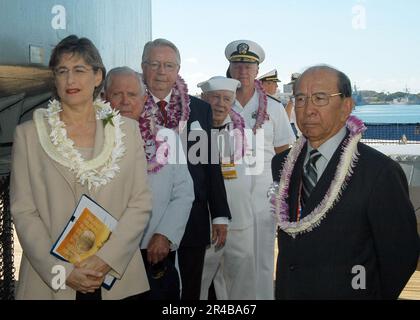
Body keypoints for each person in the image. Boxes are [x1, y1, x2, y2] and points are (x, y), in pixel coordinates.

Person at [10, 35, 152, 300]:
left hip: (115, 280)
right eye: (62, 71)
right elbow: (24, 211)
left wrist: (105, 259)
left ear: (98, 76)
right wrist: (61, 272)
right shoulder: (29, 135)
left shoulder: (126, 131)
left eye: (79, 70)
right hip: (50, 283)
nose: (70, 80)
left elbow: (140, 203)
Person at [270, 65, 419, 299]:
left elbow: (400, 254)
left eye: (320, 98)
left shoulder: (379, 172)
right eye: (300, 99)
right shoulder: (281, 164)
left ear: (346, 107)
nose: (308, 109)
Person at [141, 38, 231, 300]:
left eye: (168, 65)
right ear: (143, 66)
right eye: (155, 64)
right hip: (144, 215)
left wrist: (220, 215)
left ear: (178, 70)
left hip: (192, 216)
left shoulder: (199, 109)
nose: (161, 71)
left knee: (190, 291)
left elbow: (209, 163)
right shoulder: (130, 106)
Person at [104, 66, 194, 299]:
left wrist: (165, 234)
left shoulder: (167, 138)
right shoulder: (94, 141)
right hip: (106, 254)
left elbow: (183, 193)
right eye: (117, 94)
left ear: (144, 99)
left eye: (132, 95)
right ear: (104, 98)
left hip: (153, 251)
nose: (125, 101)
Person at [225, 39, 296, 299]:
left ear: (257, 70)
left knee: (262, 261)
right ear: (230, 68)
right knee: (229, 262)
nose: (243, 70)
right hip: (228, 196)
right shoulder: (218, 105)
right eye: (238, 64)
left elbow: (284, 156)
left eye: (249, 65)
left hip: (263, 198)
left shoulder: (275, 109)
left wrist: (283, 197)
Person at [198, 76, 256, 300]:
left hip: (240, 221)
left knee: (240, 284)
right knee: (200, 281)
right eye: (215, 98)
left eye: (226, 99)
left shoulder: (245, 131)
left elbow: (255, 176)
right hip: (206, 223)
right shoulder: (192, 131)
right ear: (204, 99)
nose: (220, 103)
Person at [285, 72, 301, 137]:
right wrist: (291, 101)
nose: (294, 87)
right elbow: (286, 119)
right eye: (293, 84)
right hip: (302, 138)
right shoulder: (293, 101)